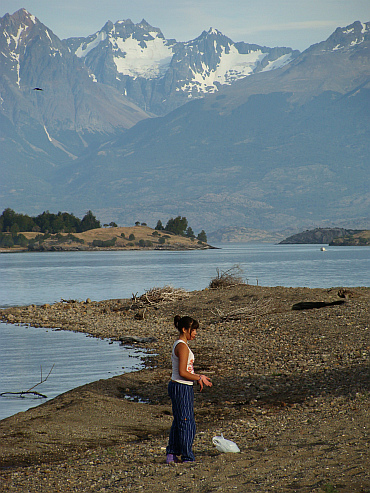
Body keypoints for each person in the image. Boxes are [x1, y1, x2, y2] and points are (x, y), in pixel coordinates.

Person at [166, 315, 212, 464]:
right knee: (187, 422)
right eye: (193, 330)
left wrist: (196, 377)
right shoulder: (182, 346)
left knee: (179, 421)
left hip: (180, 386)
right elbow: (183, 372)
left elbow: (186, 370)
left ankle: (172, 455)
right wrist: (198, 377)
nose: (195, 333)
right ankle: (187, 457)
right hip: (181, 387)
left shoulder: (181, 345)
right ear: (185, 329)